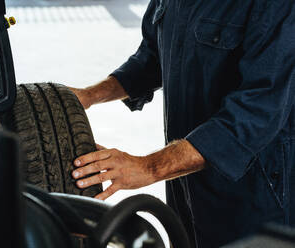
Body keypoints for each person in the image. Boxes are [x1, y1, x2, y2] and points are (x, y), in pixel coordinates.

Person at [69, 0, 295, 247]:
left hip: (252, 192)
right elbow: (150, 59)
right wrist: (89, 95)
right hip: (184, 179)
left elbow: (257, 110)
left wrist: (149, 167)